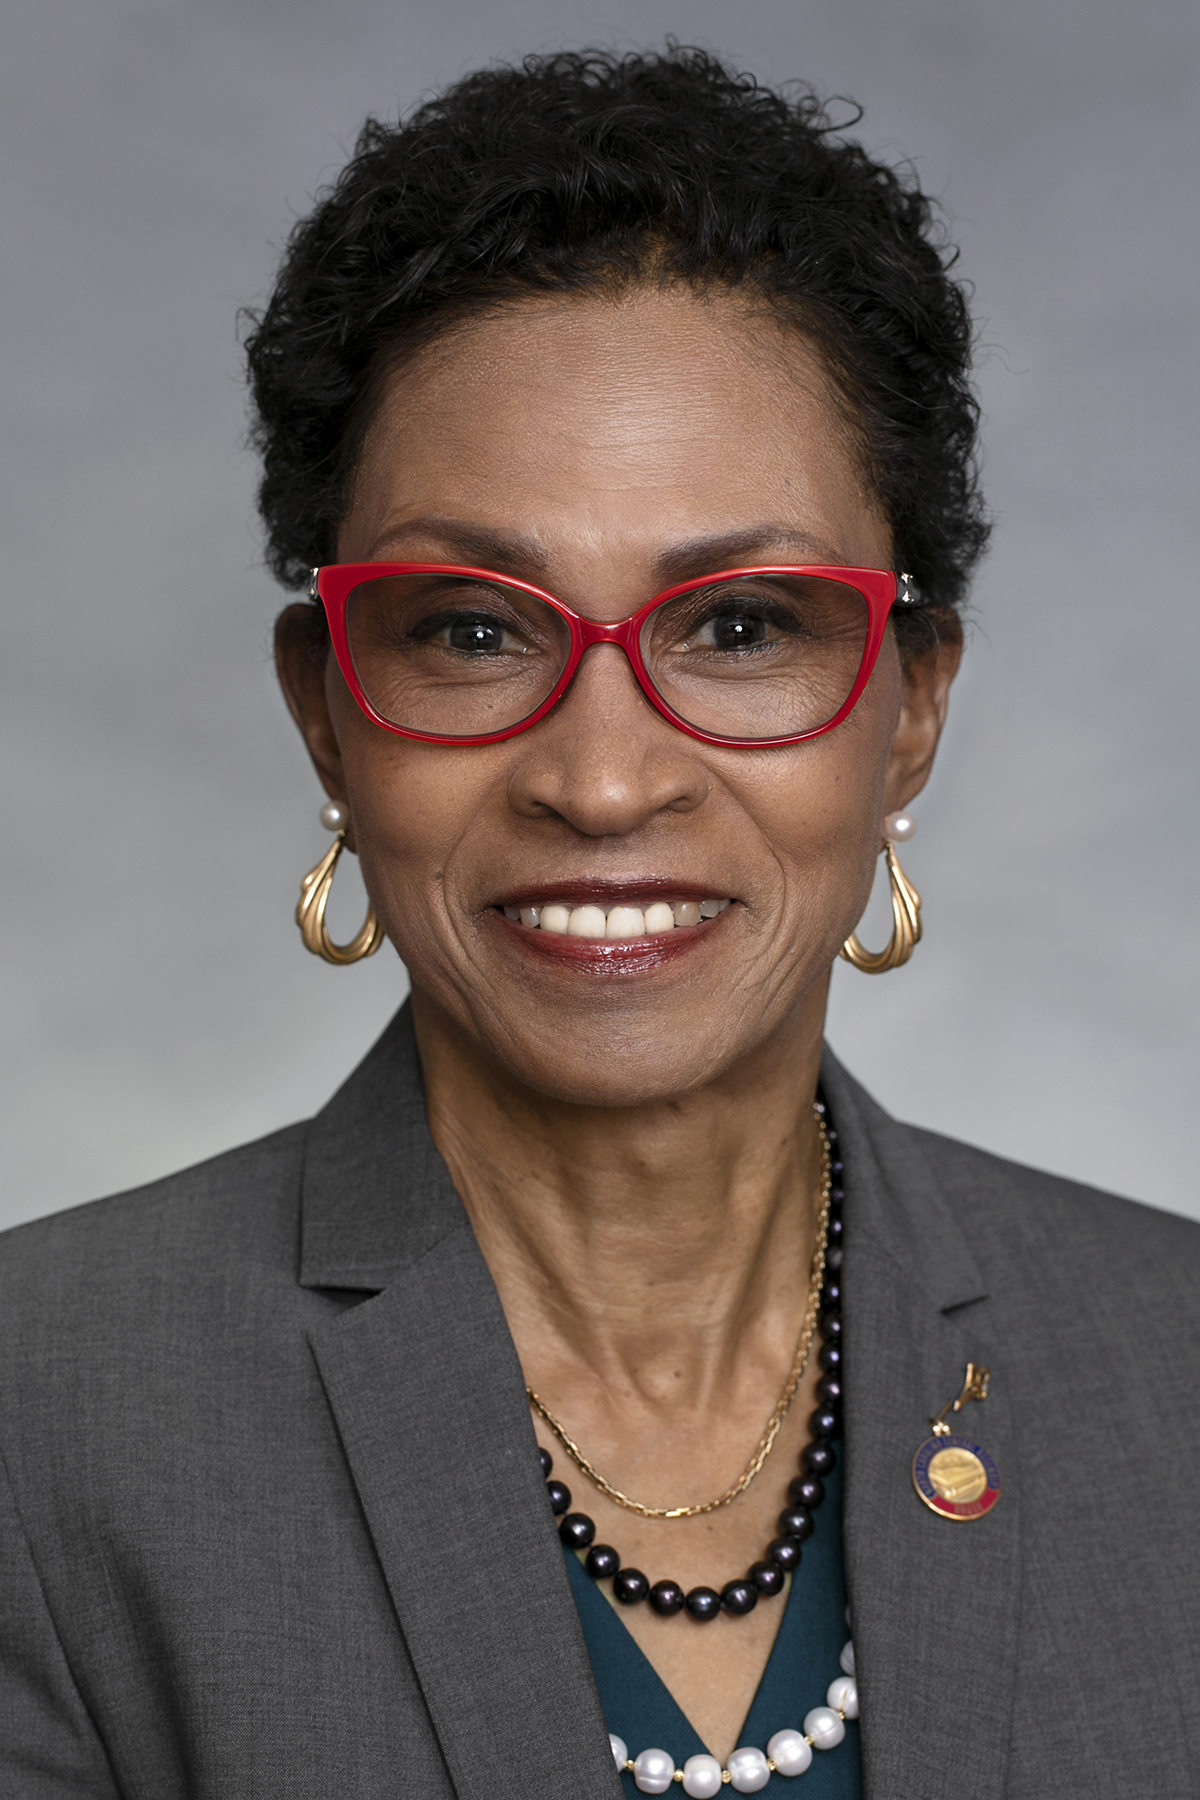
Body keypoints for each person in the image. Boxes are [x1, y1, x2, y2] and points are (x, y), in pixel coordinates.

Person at [1, 46, 1197, 1800]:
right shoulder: (45, 1413)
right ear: (328, 708)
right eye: (476, 630)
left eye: (741, 625)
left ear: (910, 705)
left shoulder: (1172, 1368)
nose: (606, 776)